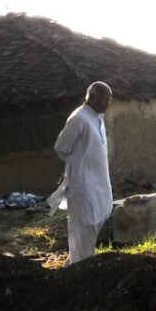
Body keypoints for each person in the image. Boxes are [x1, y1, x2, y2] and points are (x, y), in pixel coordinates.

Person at [48, 81, 113, 266]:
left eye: (109, 100)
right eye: (103, 99)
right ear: (91, 97)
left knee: (97, 221)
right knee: (84, 226)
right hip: (83, 184)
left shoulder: (98, 116)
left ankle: (73, 266)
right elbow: (61, 148)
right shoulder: (79, 118)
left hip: (100, 182)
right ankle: (82, 270)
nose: (107, 104)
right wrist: (78, 163)